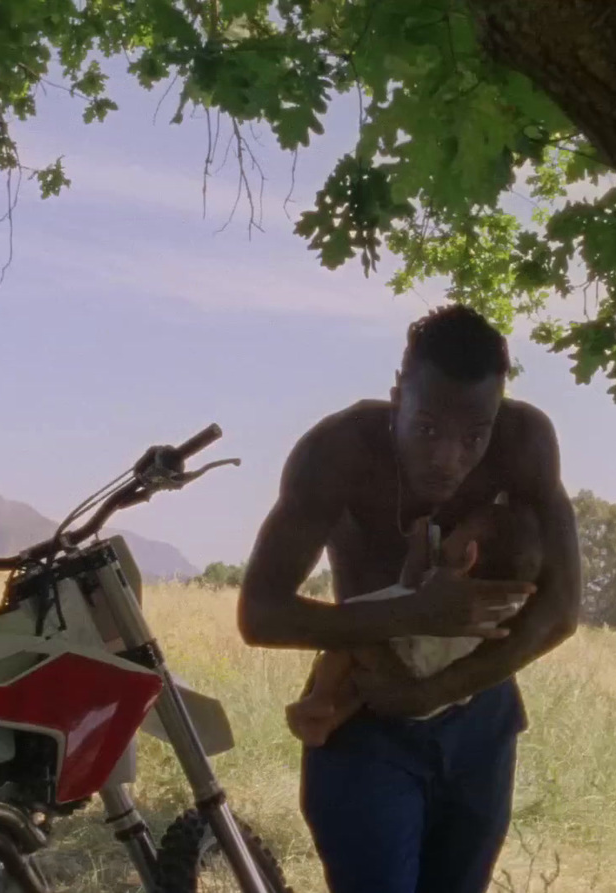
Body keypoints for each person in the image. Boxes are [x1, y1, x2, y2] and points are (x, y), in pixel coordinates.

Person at [239, 304, 582, 893]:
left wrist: (434, 691)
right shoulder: (338, 450)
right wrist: (413, 614)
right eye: (427, 429)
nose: (449, 456)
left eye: (475, 434)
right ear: (399, 396)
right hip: (365, 713)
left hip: (481, 713)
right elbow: (260, 613)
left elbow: (561, 610)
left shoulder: (525, 443)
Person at [285, 503, 544, 745]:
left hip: (408, 652)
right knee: (363, 685)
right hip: (441, 681)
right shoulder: (503, 604)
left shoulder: (447, 584)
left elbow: (410, 580)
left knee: (348, 642)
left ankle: (321, 699)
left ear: (470, 553)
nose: (446, 537)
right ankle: (330, 720)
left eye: (457, 531)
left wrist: (419, 539)